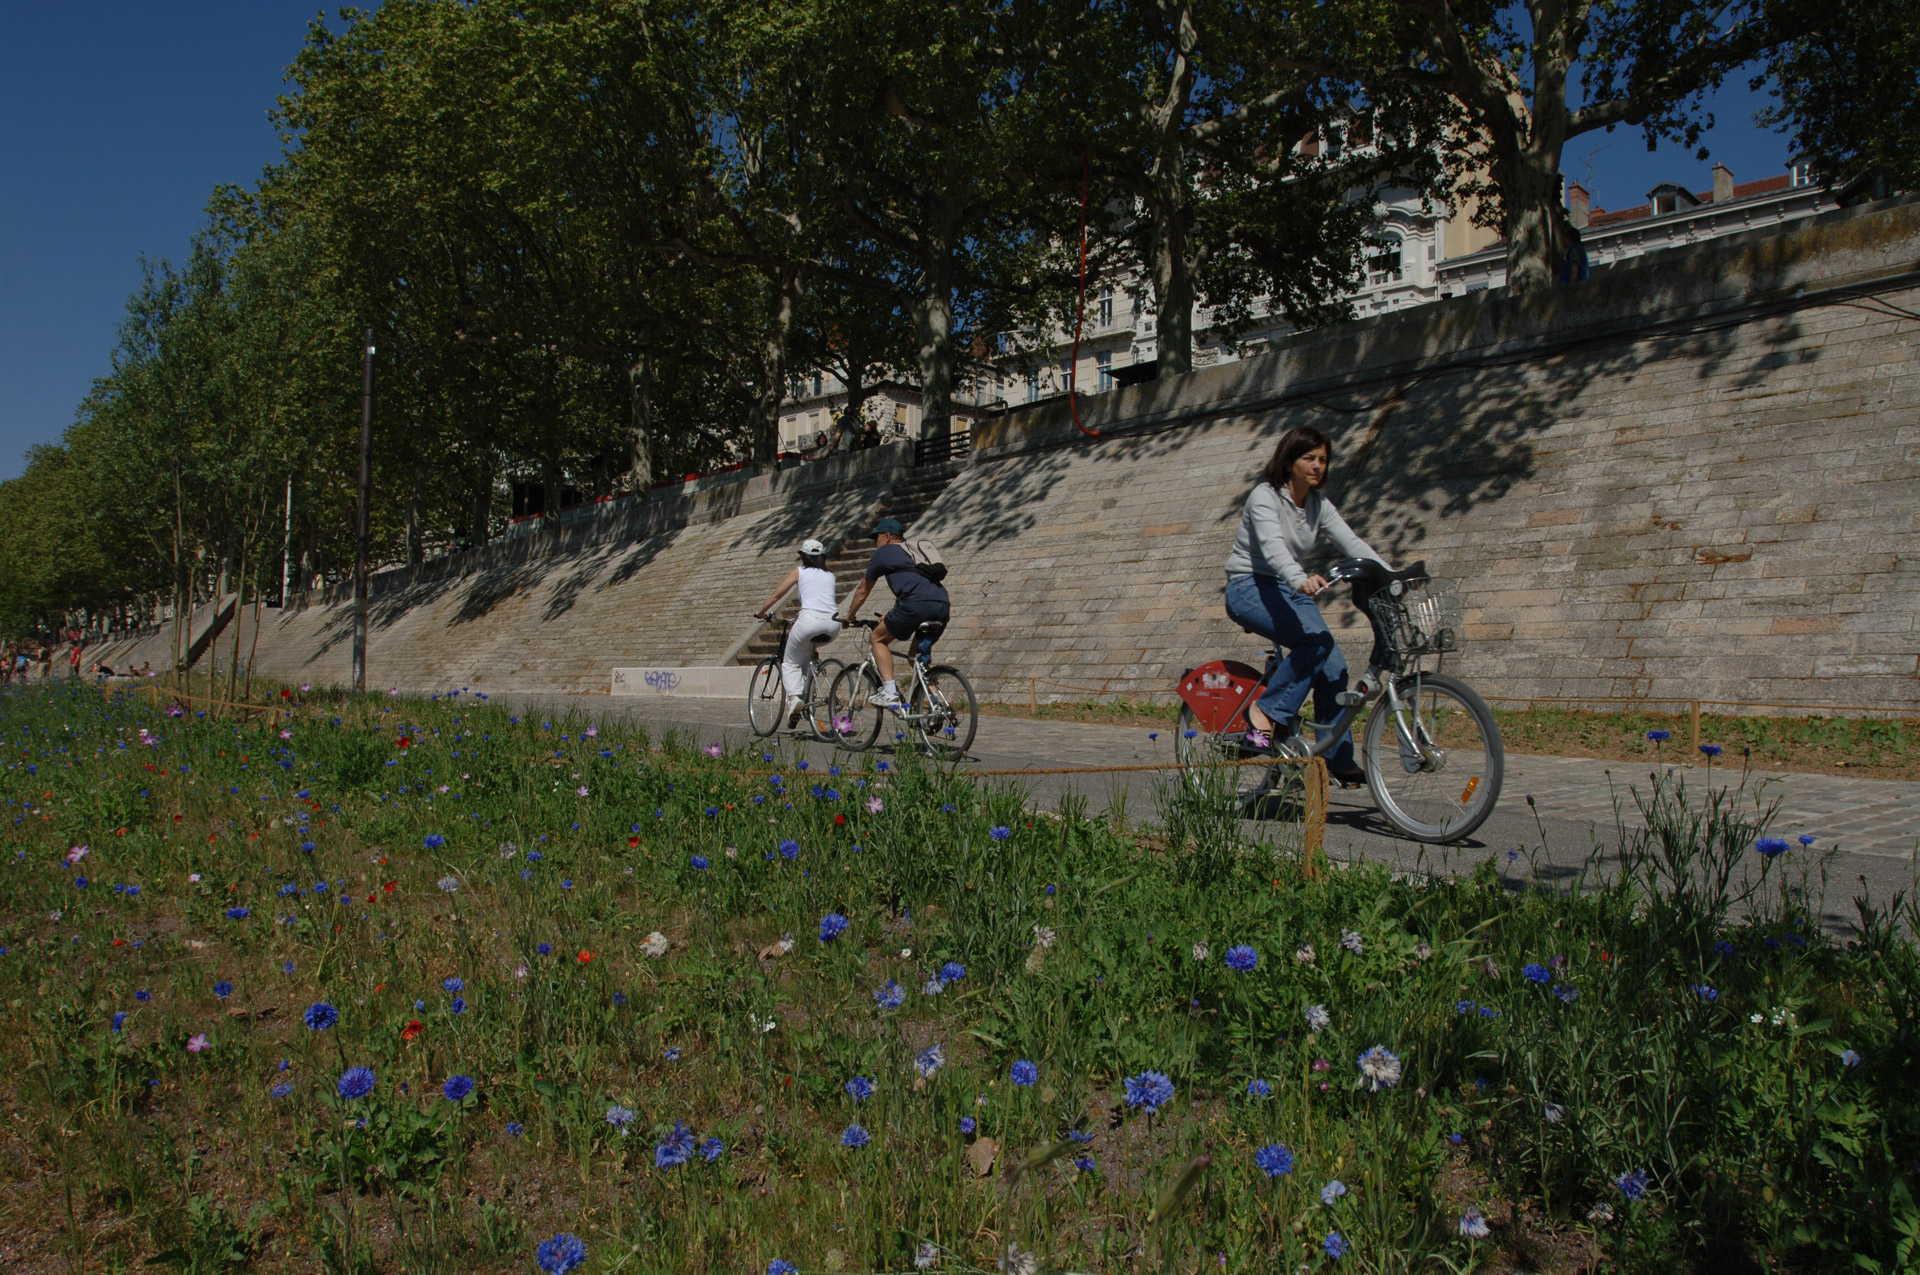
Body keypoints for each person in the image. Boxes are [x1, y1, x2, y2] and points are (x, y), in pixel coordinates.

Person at [1222, 425, 1388, 785]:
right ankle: (1262, 713)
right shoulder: (1264, 497)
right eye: (1309, 458)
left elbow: (1352, 542)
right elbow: (1272, 547)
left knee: (1334, 667)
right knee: (1313, 643)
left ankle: (1334, 756)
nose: (1317, 466)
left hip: (1289, 587)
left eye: (1323, 460)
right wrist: (1299, 577)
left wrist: (1389, 575)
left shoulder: (1317, 504)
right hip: (1249, 586)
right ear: (1289, 460)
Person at [838, 516, 949, 709]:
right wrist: (892, 613)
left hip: (915, 606)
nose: (875, 544)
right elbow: (916, 587)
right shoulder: (912, 553)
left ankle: (890, 693)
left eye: (877, 539)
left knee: (877, 639)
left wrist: (850, 616)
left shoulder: (884, 553)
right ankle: (937, 706)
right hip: (942, 605)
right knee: (915, 657)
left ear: (888, 537)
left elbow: (863, 590)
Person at [753, 538, 843, 727]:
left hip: (809, 620)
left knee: (790, 663)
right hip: (834, 623)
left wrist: (761, 613)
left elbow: (777, 595)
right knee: (806, 654)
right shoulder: (830, 575)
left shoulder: (800, 571)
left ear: (803, 556)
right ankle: (809, 688)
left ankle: (795, 698)